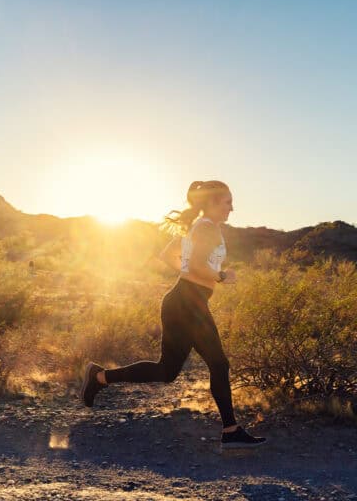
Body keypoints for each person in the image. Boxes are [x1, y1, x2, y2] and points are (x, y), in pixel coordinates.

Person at [79, 180, 266, 449]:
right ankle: (230, 430)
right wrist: (222, 276)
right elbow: (198, 264)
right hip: (188, 304)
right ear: (213, 202)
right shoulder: (207, 228)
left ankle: (99, 377)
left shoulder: (198, 228)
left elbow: (168, 255)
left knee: (167, 371)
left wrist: (190, 273)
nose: (232, 208)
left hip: (185, 302)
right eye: (228, 202)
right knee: (218, 364)